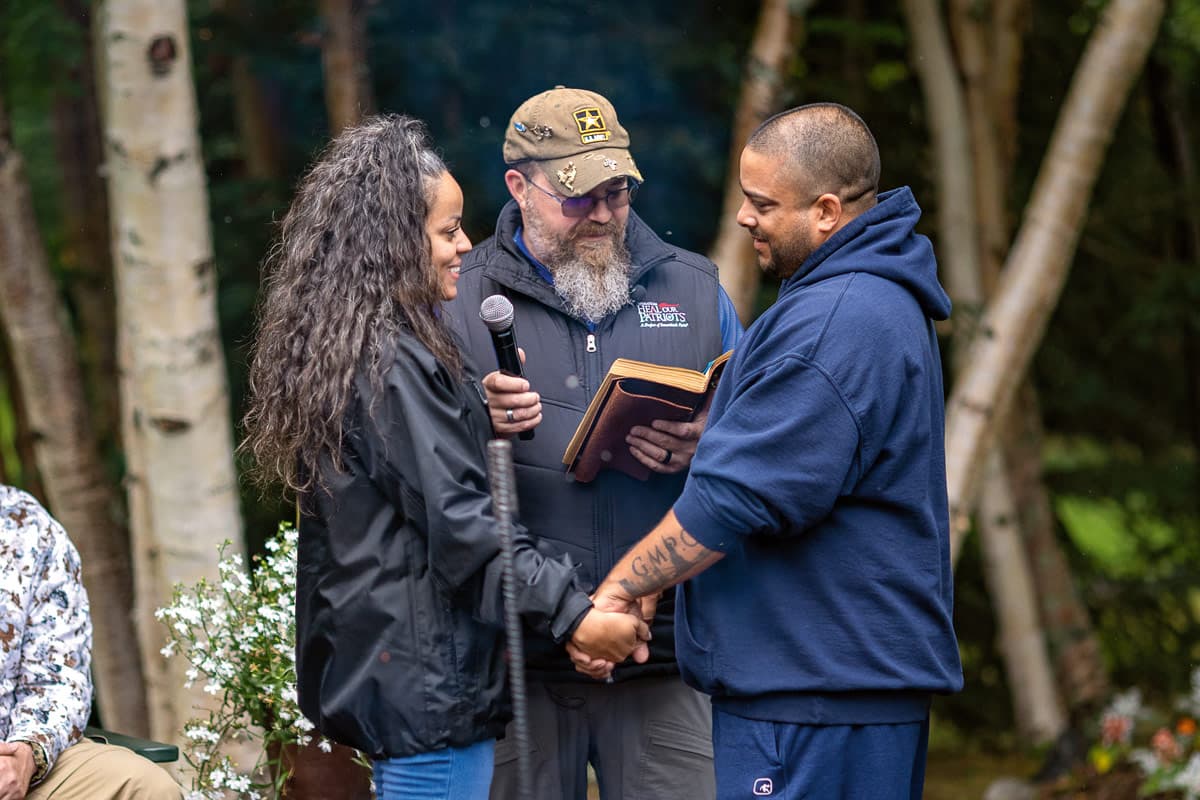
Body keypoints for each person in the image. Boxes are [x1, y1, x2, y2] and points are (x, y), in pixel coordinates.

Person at [240, 114, 647, 800]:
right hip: (425, 690)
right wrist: (575, 613)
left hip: (410, 679)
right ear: (395, 241)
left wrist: (472, 417)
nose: (464, 245)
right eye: (447, 230)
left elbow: (417, 489)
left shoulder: (373, 346)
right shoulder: (393, 361)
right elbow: (463, 524)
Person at [581, 103, 964, 799]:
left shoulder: (836, 320)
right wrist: (723, 432)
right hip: (837, 692)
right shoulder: (862, 298)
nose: (743, 218)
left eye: (761, 203)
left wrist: (623, 585)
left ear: (824, 211)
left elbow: (737, 498)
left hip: (812, 701)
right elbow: (813, 457)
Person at [444, 86, 742, 800]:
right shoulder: (453, 296)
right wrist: (465, 414)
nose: (605, 214)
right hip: (512, 662)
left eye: (618, 191)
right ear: (518, 186)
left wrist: (709, 439)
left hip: (664, 660)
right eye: (580, 196)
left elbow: (763, 448)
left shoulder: (697, 288)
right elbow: (418, 471)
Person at [0, 484, 182, 800]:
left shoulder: (25, 524)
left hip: (16, 758)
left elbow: (57, 679)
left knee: (145, 788)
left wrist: (28, 753)